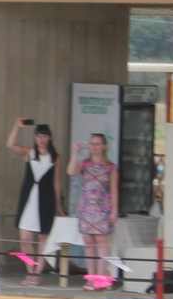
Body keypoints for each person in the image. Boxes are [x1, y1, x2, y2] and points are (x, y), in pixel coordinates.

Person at [7, 118, 61, 286]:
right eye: (38, 136)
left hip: (45, 199)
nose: (41, 139)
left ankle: (38, 274)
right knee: (25, 239)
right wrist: (16, 126)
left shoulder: (55, 157)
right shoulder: (29, 153)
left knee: (43, 238)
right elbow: (10, 145)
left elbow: (57, 183)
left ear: (49, 138)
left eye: (44, 136)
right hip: (29, 198)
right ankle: (30, 271)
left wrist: (58, 204)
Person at [68, 133, 120, 285]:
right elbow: (71, 172)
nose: (94, 147)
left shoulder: (111, 167)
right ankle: (91, 278)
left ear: (104, 146)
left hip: (103, 207)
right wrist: (75, 152)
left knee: (101, 242)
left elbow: (114, 189)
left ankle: (101, 277)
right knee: (88, 242)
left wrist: (115, 210)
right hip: (86, 207)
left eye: (97, 143)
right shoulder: (85, 164)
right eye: (92, 143)